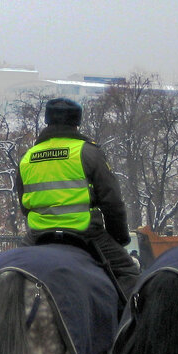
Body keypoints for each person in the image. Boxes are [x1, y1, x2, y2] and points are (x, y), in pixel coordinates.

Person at [15, 97, 139, 299]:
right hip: (85, 234)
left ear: (47, 121)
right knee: (128, 273)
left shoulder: (27, 157)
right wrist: (119, 238)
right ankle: (127, 327)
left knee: (10, 273)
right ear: (76, 122)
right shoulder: (88, 152)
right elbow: (112, 201)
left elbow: (24, 205)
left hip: (38, 236)